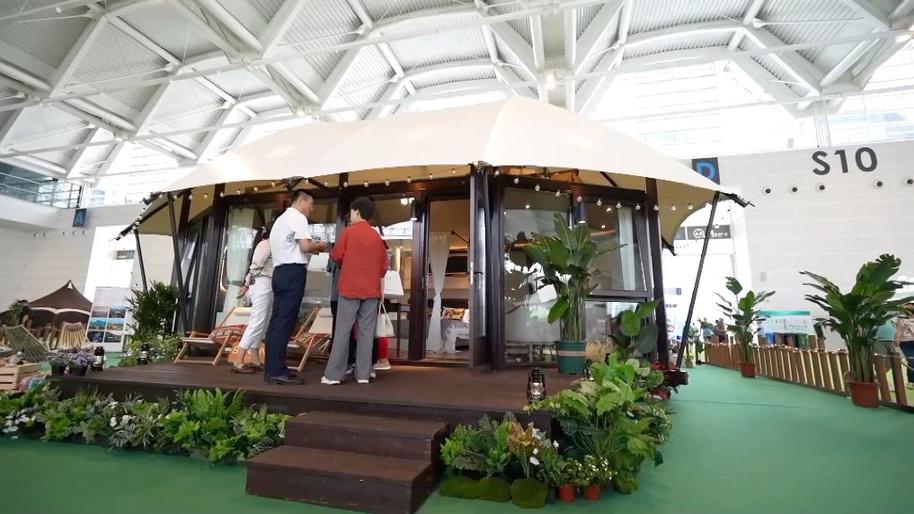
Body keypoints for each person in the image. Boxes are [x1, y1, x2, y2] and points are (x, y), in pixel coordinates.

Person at [263, 190, 327, 385]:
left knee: (276, 321)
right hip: (293, 272)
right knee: (285, 322)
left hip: (279, 272)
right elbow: (305, 247)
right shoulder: (298, 217)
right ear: (303, 200)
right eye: (311, 204)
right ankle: (278, 371)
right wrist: (320, 246)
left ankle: (271, 369)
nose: (311, 209)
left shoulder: (280, 220)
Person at [322, 197, 388, 385]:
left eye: (351, 212)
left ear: (357, 211)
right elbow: (383, 266)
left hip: (350, 289)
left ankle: (333, 375)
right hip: (371, 290)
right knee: (366, 333)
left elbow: (336, 255)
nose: (350, 215)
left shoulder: (349, 232)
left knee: (343, 331)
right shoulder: (376, 237)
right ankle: (363, 374)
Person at [231, 223, 273, 374]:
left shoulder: (265, 244)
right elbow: (256, 265)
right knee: (258, 322)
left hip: (264, 283)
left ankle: (255, 359)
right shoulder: (267, 244)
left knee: (262, 323)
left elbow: (254, 268)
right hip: (263, 283)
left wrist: (247, 284)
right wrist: (247, 283)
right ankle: (238, 360)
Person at [894, 304, 914, 388]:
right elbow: (898, 330)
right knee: (911, 361)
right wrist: (897, 341)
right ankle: (911, 381)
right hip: (905, 342)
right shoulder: (901, 319)